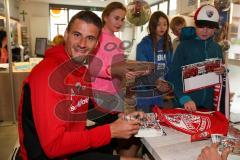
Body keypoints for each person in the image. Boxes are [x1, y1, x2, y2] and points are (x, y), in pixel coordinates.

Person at [18, 10, 144, 160]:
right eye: (77, 35)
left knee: (133, 136)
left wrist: (121, 118)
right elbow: (53, 146)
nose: (82, 44)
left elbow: (88, 107)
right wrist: (111, 131)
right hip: (47, 154)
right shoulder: (47, 74)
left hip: (69, 146)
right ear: (66, 35)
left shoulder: (80, 70)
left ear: (97, 44)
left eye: (90, 38)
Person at [169, 4, 226, 112]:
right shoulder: (183, 47)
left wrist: (223, 71)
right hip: (185, 105)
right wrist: (184, 98)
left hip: (209, 107)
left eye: (209, 27)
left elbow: (221, 73)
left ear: (215, 29)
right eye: (201, 26)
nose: (205, 31)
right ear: (195, 25)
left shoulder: (217, 48)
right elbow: (173, 76)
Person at [135, 11, 174, 112]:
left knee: (157, 121)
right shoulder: (143, 45)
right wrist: (155, 81)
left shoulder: (168, 45)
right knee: (144, 123)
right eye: (158, 24)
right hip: (144, 92)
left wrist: (169, 85)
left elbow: (170, 66)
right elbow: (143, 69)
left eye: (165, 24)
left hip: (160, 92)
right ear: (152, 26)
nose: (162, 27)